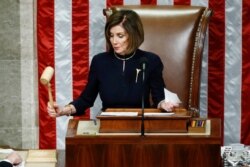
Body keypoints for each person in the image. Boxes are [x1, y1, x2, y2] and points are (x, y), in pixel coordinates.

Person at [47, 9, 179, 117]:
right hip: (109, 126)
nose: (114, 41)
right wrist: (63, 111)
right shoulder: (100, 62)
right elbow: (86, 99)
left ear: (134, 35)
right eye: (111, 35)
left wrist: (164, 104)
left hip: (140, 126)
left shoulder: (150, 61)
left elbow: (159, 98)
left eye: (120, 36)